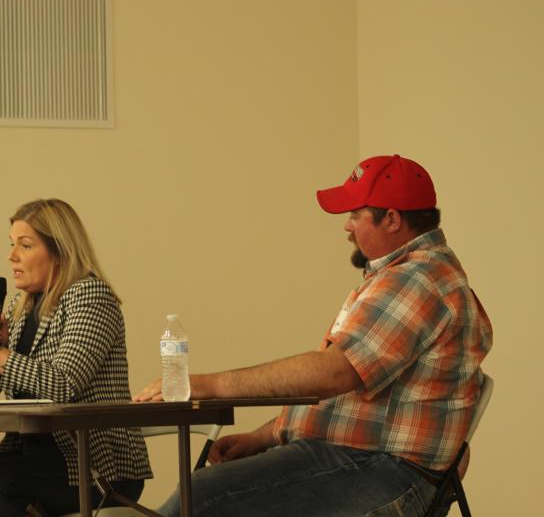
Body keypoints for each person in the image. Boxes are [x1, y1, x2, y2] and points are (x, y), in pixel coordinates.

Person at [135, 155, 493, 517]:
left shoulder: (415, 280)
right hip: (362, 462)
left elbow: (335, 373)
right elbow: (353, 399)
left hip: (383, 472)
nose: (347, 227)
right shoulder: (410, 276)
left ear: (392, 219)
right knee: (204, 491)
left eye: (355, 215)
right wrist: (266, 436)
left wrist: (209, 385)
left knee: (204, 496)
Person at [0, 198, 152, 517]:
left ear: (60, 250)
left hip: (93, 463)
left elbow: (64, 384)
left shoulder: (91, 296)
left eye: (25, 245)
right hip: (29, 456)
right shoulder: (21, 308)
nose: (12, 256)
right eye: (11, 245)